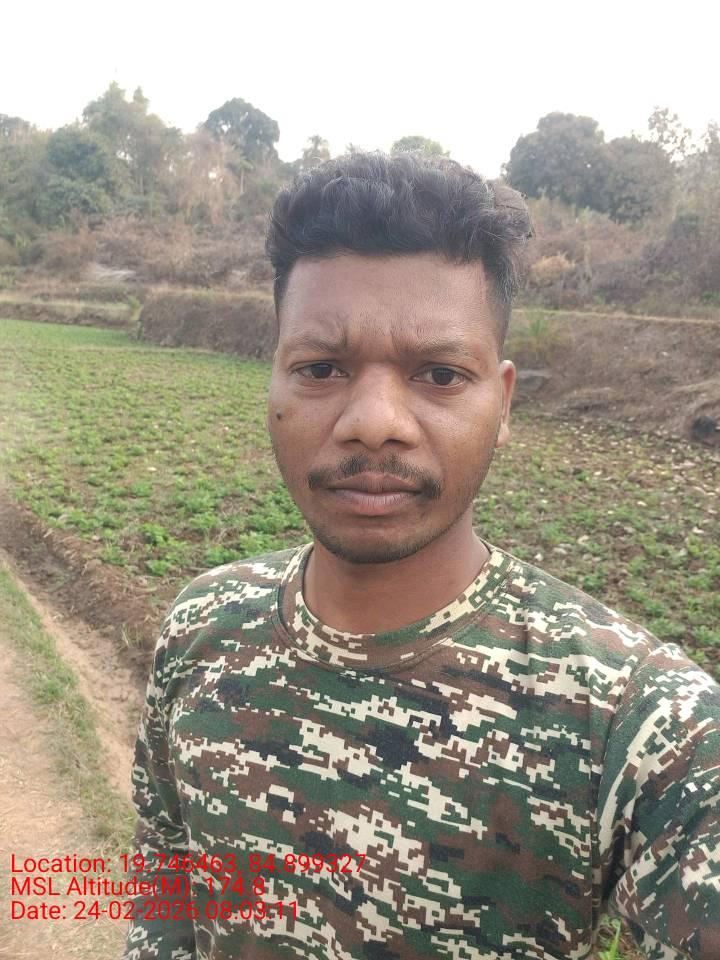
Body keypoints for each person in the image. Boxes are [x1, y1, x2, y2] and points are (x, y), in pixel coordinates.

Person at [123, 151, 720, 960]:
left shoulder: (641, 721)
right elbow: (166, 873)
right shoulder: (202, 623)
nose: (374, 422)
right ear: (273, 382)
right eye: (321, 369)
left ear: (502, 403)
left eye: (439, 374)